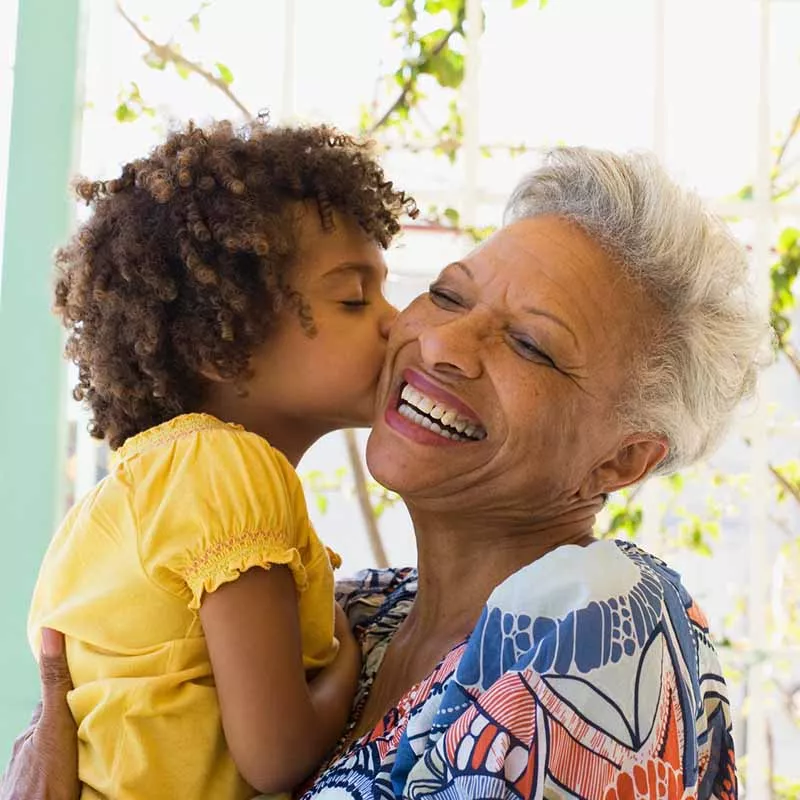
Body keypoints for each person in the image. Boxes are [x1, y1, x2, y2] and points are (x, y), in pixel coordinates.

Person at [3, 146, 766, 800]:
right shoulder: (358, 612)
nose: (441, 345)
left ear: (622, 459)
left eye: (531, 345)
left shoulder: (597, 630)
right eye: (446, 294)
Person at [24, 119, 417, 799]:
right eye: (353, 297)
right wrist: (353, 667)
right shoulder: (231, 471)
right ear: (222, 344)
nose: (395, 319)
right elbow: (275, 757)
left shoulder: (133, 493)